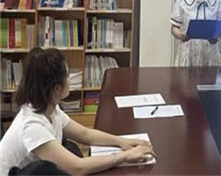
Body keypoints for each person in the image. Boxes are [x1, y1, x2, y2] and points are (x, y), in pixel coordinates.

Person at [0, 48, 155, 175]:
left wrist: (121, 141)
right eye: (67, 77)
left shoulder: (48, 107)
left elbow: (84, 134)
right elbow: (77, 168)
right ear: (56, 88)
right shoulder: (32, 125)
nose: (70, 80)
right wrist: (124, 156)